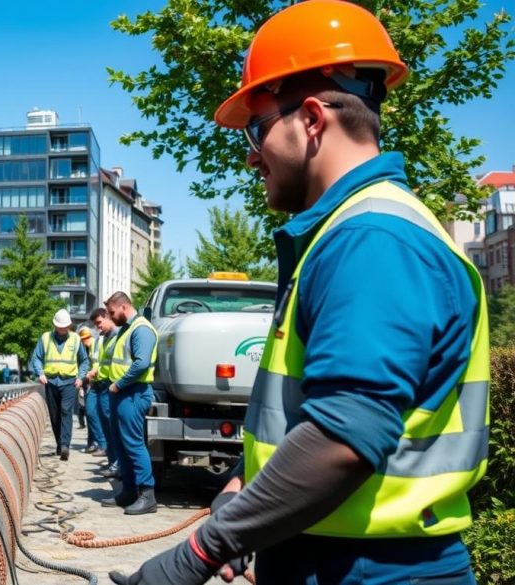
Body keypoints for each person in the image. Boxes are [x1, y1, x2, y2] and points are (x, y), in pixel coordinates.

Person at [110, 1, 488, 583]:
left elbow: (345, 432)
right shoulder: (355, 232)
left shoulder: (371, 240)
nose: (251, 154)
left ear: (311, 119)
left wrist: (201, 552)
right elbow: (309, 415)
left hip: (368, 569)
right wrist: (244, 492)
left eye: (258, 128)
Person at [103, 291, 159, 516]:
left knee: (134, 444)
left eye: (112, 312)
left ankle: (148, 495)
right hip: (122, 393)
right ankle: (128, 490)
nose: (110, 316)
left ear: (124, 307)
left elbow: (141, 364)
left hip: (133, 393)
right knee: (121, 444)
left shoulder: (141, 329)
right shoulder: (126, 330)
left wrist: (119, 384)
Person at [31, 308, 89, 461]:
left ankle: (65, 446)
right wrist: (40, 373)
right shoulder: (45, 338)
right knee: (54, 415)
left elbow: (84, 361)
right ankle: (59, 444)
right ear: (55, 325)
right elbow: (36, 358)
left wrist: (80, 378)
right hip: (50, 381)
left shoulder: (76, 339)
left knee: (66, 411)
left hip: (70, 382)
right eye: (60, 326)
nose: (63, 329)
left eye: (66, 327)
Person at [87, 308, 119, 471]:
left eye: (99, 322)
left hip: (110, 384)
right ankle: (112, 461)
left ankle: (115, 464)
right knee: (103, 422)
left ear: (108, 317)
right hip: (101, 383)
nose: (98, 327)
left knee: (111, 425)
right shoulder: (104, 338)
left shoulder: (117, 336)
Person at [77, 326, 98, 451]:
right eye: (83, 339)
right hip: (87, 383)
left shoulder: (94, 346)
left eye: (86, 338)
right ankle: (91, 443)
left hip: (94, 383)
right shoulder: (85, 349)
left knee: (91, 413)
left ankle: (94, 442)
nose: (85, 341)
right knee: (89, 414)